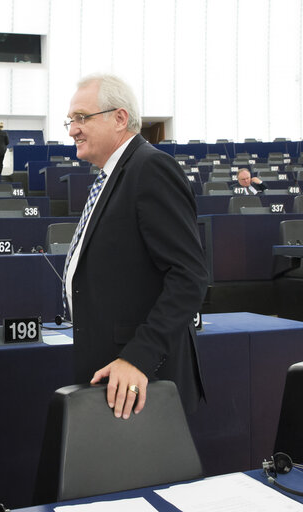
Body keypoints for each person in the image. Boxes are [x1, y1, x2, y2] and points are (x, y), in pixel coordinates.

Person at [61, 74, 207, 421]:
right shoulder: (112, 175)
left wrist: (138, 357)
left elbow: (189, 277)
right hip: (114, 374)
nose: (72, 130)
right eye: (71, 120)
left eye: (82, 118)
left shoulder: (151, 168)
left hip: (142, 377)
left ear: (120, 118)